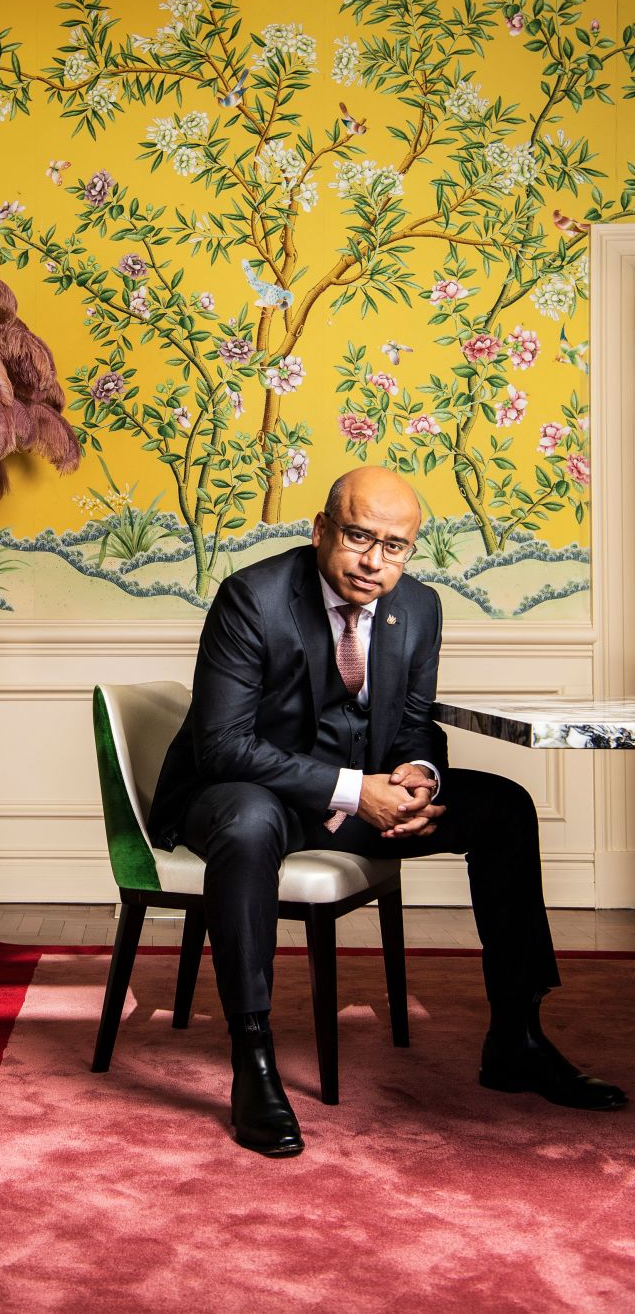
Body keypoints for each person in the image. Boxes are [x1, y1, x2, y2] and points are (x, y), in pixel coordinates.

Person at [148, 466, 627, 1157]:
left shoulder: (421, 609)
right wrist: (353, 789)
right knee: (249, 824)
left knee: (505, 809)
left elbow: (413, 723)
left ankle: (516, 1037)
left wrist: (420, 778)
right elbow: (223, 747)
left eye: (396, 546)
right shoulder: (252, 598)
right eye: (358, 537)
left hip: (360, 794)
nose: (375, 562)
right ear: (320, 530)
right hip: (248, 795)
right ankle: (251, 1061)